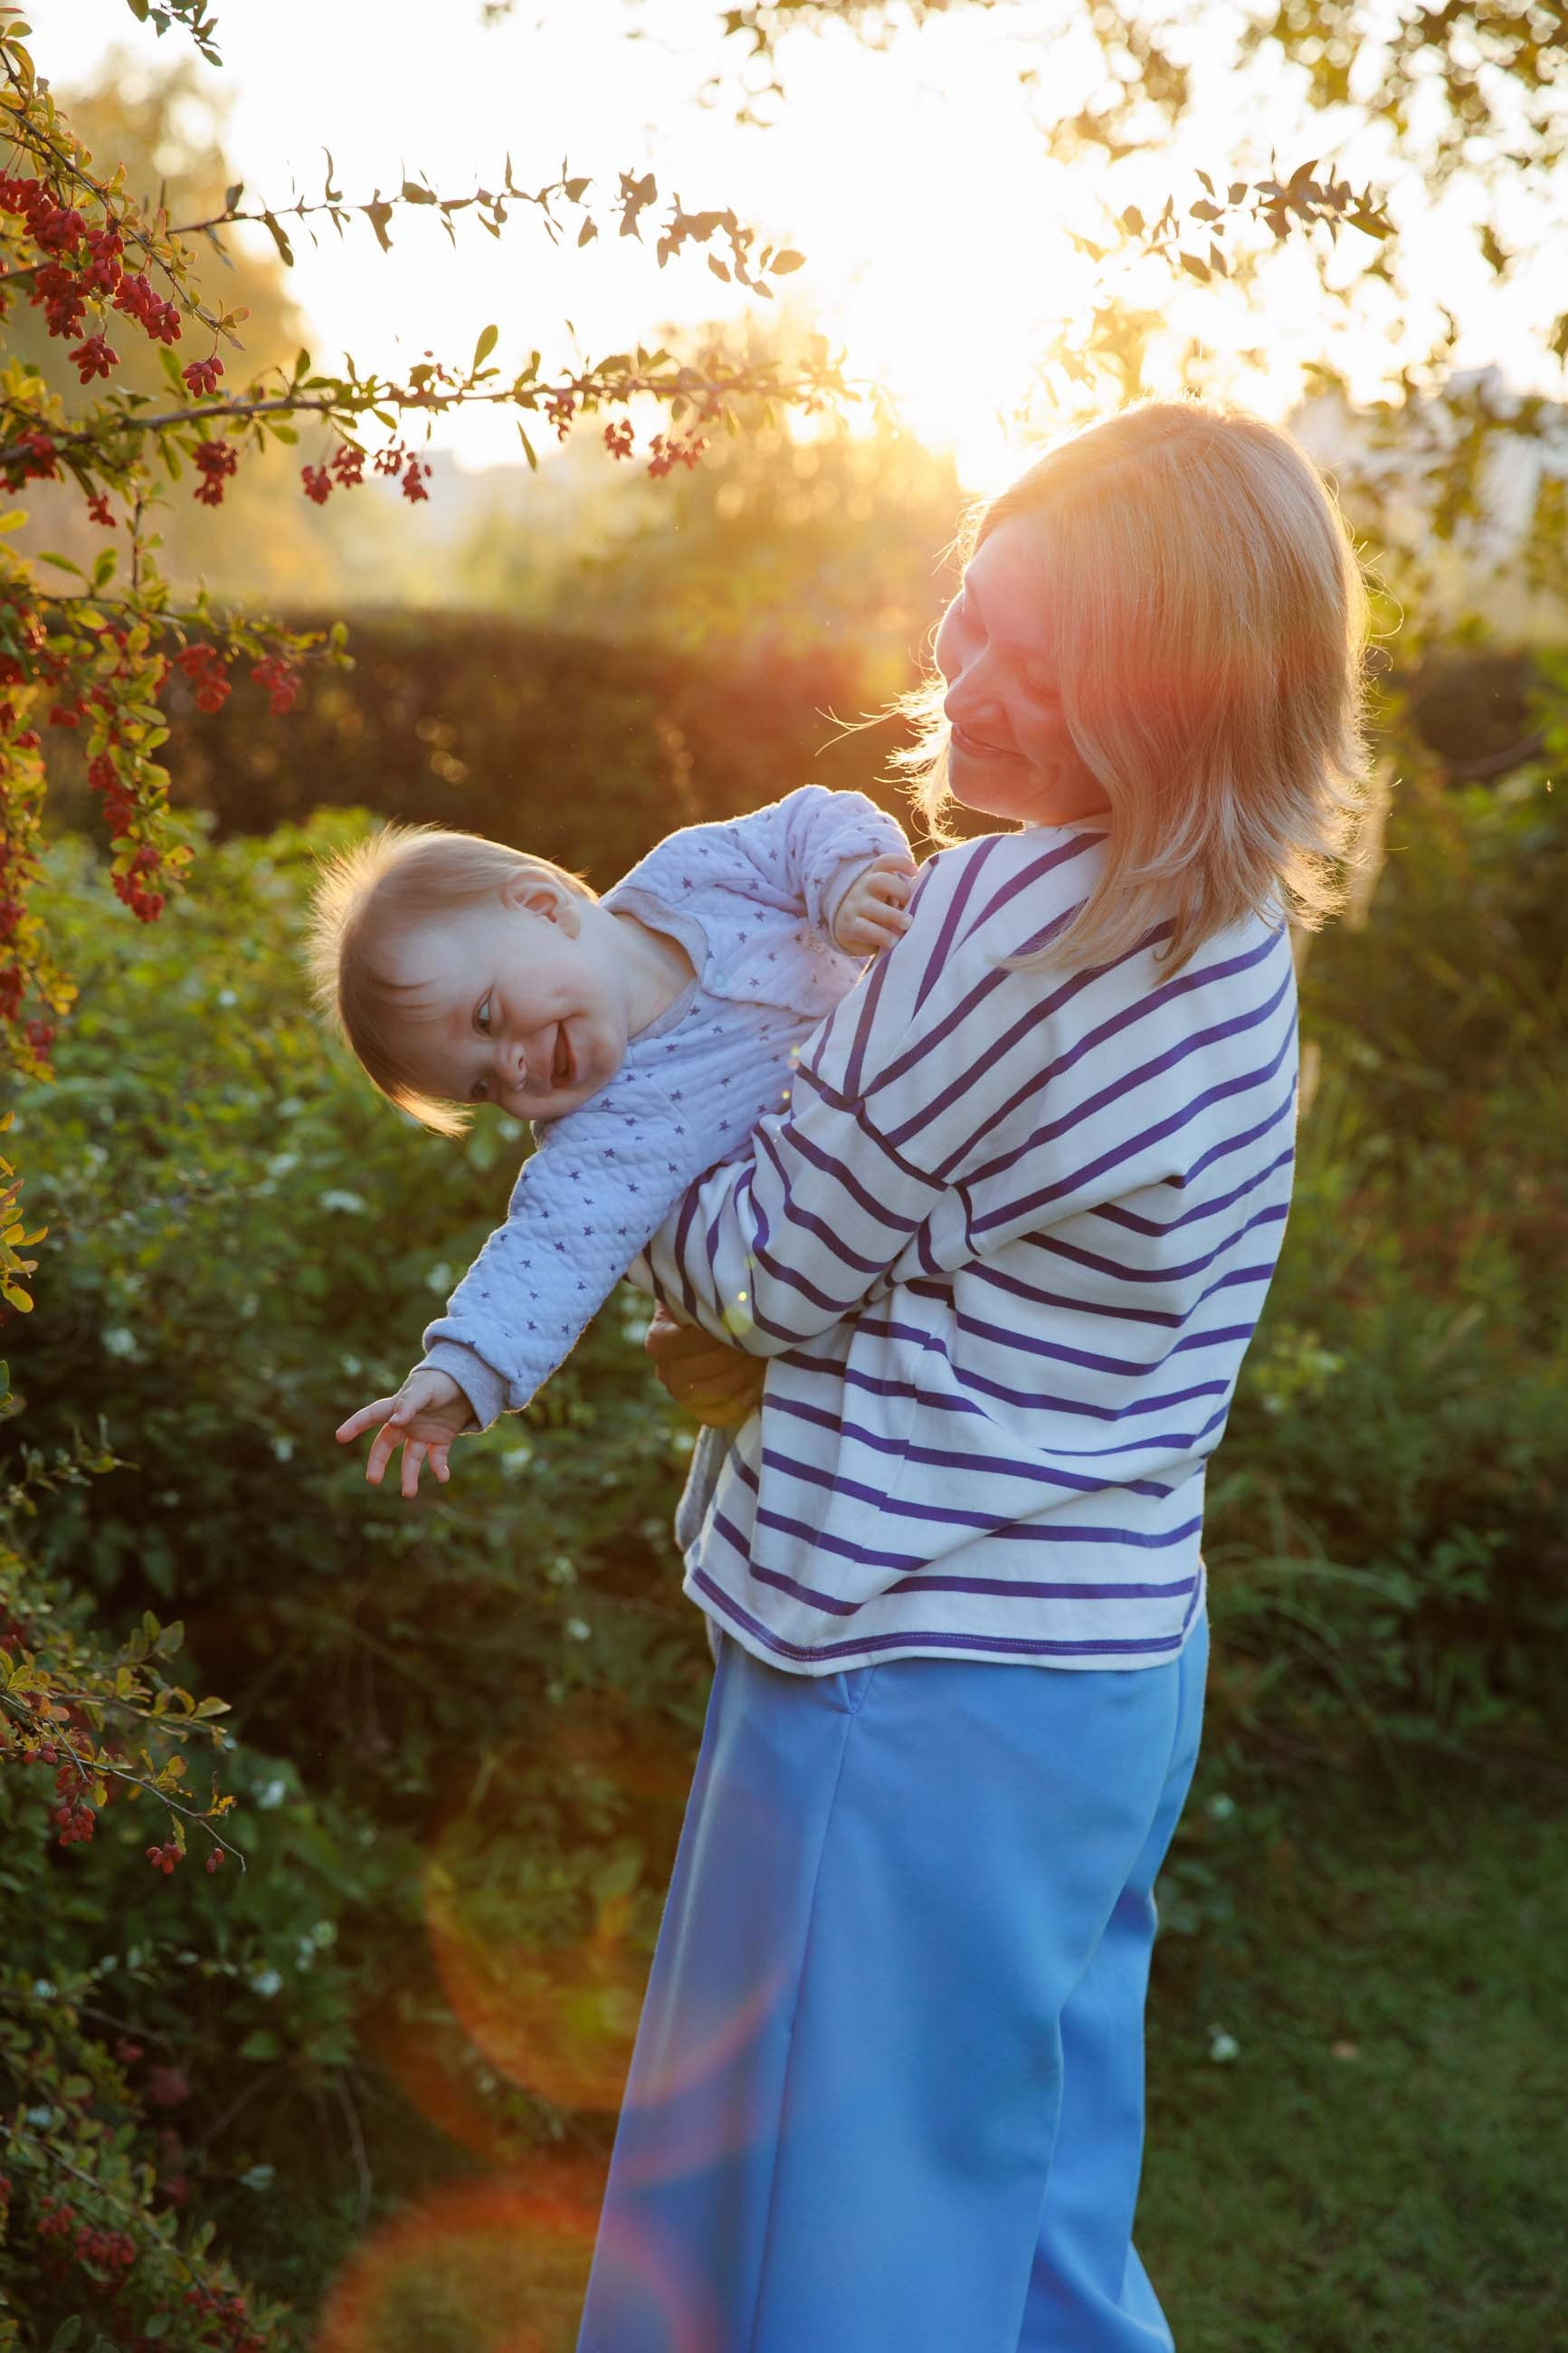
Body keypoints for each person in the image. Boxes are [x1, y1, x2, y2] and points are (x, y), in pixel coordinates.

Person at [569, 399, 1370, 2352]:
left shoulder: (1005, 918)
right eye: (971, 609)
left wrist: (589, 1095)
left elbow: (763, 1267)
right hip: (1106, 1667)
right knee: (1025, 2226)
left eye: (1044, 657)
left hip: (900, 1665)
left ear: (1171, 709)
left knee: (825, 2255)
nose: (967, 678)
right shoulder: (1230, 933)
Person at [307, 788, 916, 1481]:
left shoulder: (696, 873)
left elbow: (806, 822)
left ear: (541, 906)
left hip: (941, 1053)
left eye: (485, 1018)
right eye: (481, 1087)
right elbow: (550, 1245)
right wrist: (461, 1369)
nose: (511, 1070)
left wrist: (847, 883)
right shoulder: (608, 1127)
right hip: (886, 1220)